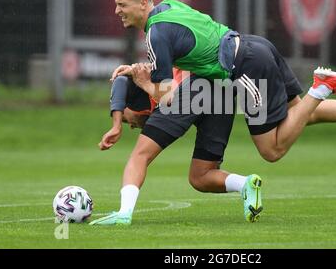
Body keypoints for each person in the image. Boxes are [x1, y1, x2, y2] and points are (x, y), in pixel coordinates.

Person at [109, 0, 336, 162]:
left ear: (144, 3)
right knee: (298, 115)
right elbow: (185, 51)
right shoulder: (170, 7)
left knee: (271, 150)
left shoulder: (155, 33)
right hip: (255, 46)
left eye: (122, 4)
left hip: (245, 67)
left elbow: (168, 98)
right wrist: (145, 70)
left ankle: (322, 86)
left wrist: (144, 82)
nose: (117, 10)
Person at [90, 67, 263, 225]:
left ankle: (124, 213)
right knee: (200, 176)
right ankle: (245, 184)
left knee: (139, 156)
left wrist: (116, 124)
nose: (132, 126)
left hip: (194, 86)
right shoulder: (151, 83)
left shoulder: (136, 84)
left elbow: (119, 81)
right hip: (221, 94)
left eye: (128, 121)